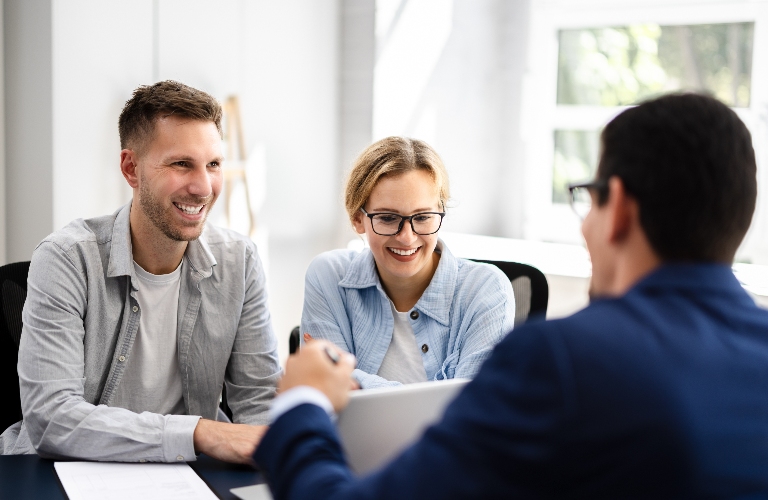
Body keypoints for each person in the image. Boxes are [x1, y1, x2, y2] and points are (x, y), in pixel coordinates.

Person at [254, 93, 768, 498]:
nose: (406, 236)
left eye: (588, 200)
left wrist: (302, 402)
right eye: (388, 218)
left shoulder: (561, 361)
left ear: (622, 212)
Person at [0, 81, 281, 464]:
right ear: (131, 169)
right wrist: (198, 432)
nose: (203, 187)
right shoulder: (66, 258)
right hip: (70, 473)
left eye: (213, 164)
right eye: (182, 164)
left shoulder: (240, 261)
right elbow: (52, 419)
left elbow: (258, 402)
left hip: (191, 477)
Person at [300, 137, 515, 389]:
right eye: (388, 218)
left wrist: (355, 380)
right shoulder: (329, 277)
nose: (407, 237)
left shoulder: (487, 289)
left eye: (422, 217)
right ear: (358, 219)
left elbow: (474, 411)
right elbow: (327, 398)